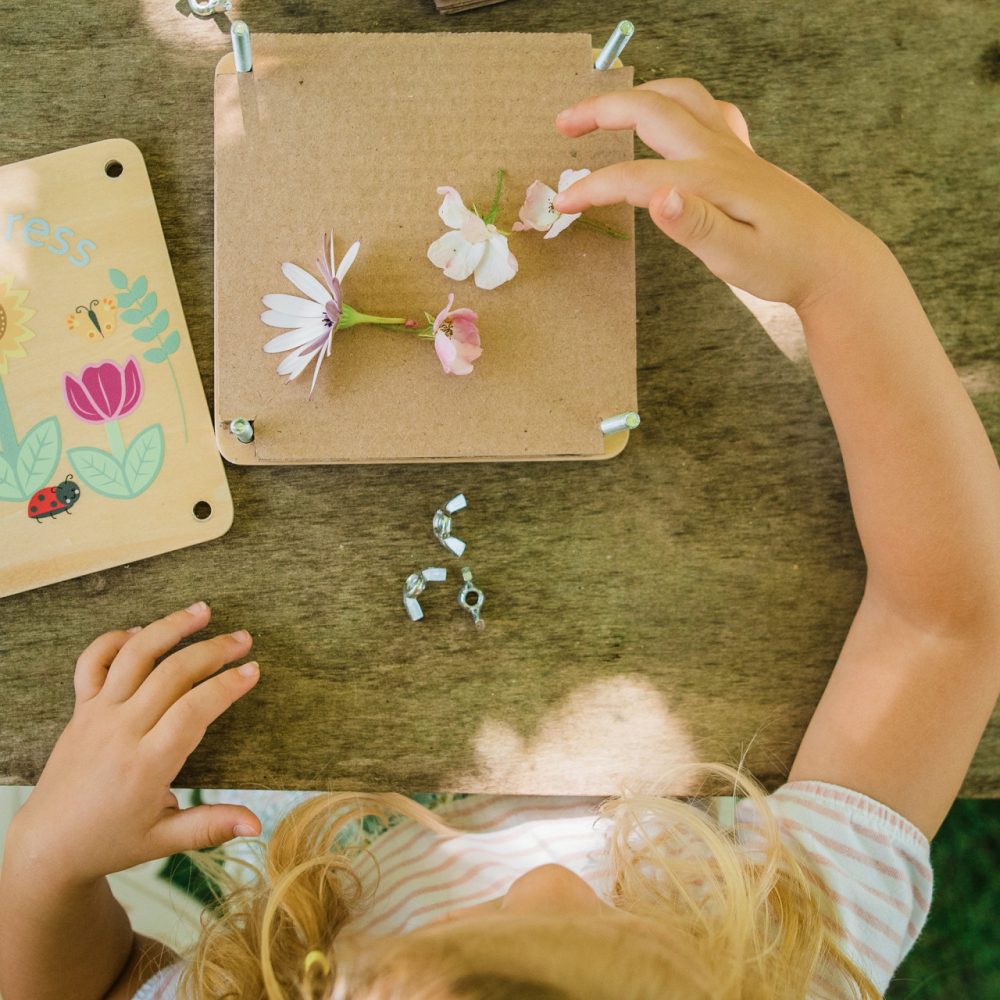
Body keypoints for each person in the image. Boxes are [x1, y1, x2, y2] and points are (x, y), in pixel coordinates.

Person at [2, 77, 999, 1000]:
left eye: (488, 921)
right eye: (634, 935)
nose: (553, 881)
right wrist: (837, 275)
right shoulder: (792, 962)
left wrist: (46, 861)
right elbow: (947, 625)